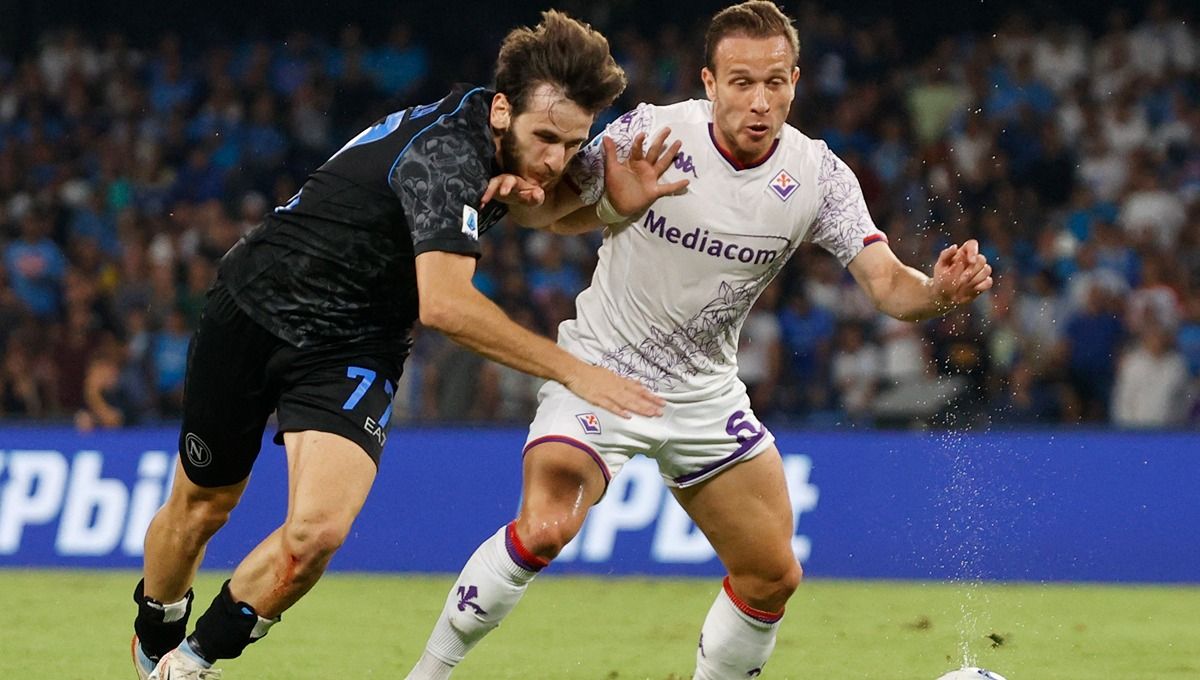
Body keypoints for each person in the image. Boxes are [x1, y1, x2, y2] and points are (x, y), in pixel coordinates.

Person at [405, 2, 993, 679]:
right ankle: (428, 674)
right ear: (709, 82)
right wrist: (576, 200)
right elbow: (552, 206)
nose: (759, 100)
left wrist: (939, 292)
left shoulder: (818, 176)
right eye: (741, 82)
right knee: (544, 527)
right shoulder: (650, 133)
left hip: (705, 395)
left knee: (772, 575)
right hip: (604, 367)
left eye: (775, 83)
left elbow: (889, 287)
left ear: (795, 82)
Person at [131, 11, 682, 680]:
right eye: (545, 138)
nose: (556, 160)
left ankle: (189, 665)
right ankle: (155, 628)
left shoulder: (495, 136)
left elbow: (539, 203)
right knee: (202, 507)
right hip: (255, 306)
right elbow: (446, 305)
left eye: (572, 145)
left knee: (316, 536)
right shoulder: (446, 153)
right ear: (503, 110)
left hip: (356, 346)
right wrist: (573, 371)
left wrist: (612, 208)